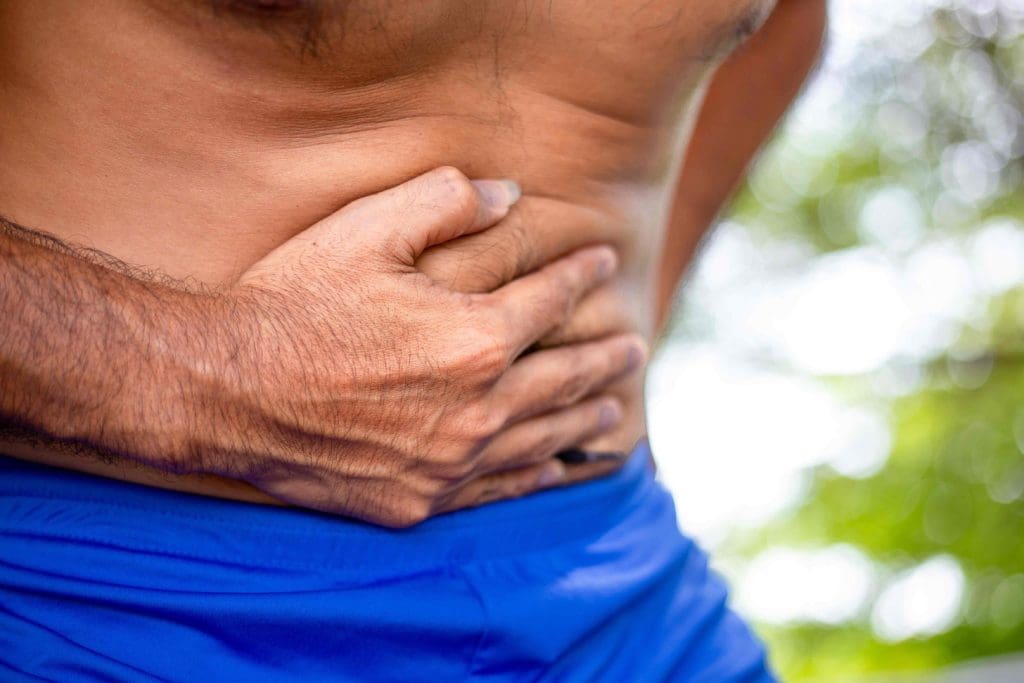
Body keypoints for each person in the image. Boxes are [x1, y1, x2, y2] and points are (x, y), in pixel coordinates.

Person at [0, 0, 826, 680]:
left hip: (620, 596)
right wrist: (203, 373)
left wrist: (619, 337)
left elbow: (787, 21)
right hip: (91, 596)